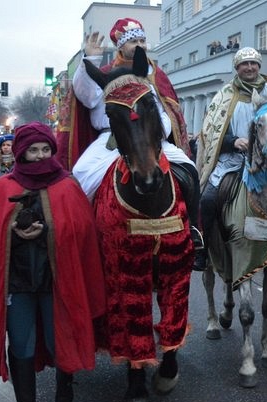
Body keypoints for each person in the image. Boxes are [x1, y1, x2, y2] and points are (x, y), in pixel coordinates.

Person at [0, 122, 106, 402]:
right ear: (21, 152)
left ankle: (64, 379)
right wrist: (12, 231)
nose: (41, 156)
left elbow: (83, 233)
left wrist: (49, 230)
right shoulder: (3, 187)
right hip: (18, 284)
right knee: (21, 345)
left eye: (46, 150)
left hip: (57, 283)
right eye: (34, 150)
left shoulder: (68, 187)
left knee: (60, 342)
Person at [71, 18, 202, 253]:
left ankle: (193, 229)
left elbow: (166, 111)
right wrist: (89, 60)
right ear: (120, 46)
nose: (139, 45)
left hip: (152, 137)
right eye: (133, 41)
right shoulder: (105, 74)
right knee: (80, 175)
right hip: (111, 139)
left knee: (189, 169)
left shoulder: (154, 76)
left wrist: (158, 129)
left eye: (142, 40)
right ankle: (84, 235)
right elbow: (86, 96)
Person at [195, 47, 267, 271]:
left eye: (254, 63)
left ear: (259, 66)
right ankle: (203, 248)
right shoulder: (225, 94)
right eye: (245, 64)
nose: (250, 67)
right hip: (232, 161)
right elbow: (210, 131)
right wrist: (233, 141)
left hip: (266, 163)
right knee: (207, 199)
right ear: (237, 68)